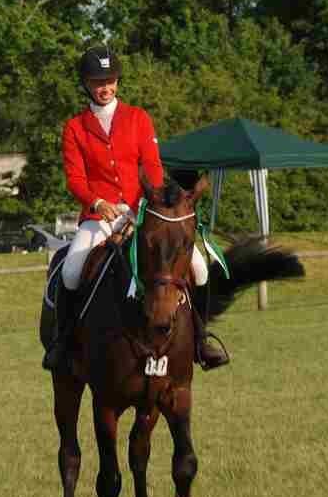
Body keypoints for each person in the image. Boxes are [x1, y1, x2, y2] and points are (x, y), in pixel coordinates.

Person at [42, 45, 229, 372]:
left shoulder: (138, 118)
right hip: (99, 217)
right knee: (71, 273)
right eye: (98, 81)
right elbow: (74, 178)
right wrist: (98, 202)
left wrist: (145, 205)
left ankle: (200, 339)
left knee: (198, 267)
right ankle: (65, 342)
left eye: (110, 80)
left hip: (143, 212)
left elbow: (153, 168)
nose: (105, 87)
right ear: (86, 84)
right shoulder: (75, 128)